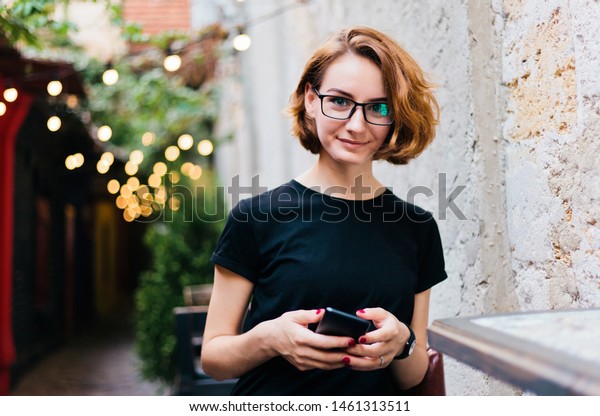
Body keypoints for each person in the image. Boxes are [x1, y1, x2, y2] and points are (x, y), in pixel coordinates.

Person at [201, 26, 446, 395]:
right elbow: (214, 357)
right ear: (311, 100)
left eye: (379, 107)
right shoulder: (256, 218)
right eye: (340, 101)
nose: (357, 125)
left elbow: (411, 377)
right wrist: (270, 338)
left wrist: (403, 344)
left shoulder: (417, 228)